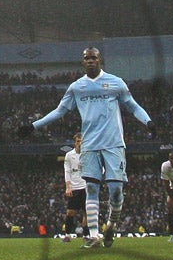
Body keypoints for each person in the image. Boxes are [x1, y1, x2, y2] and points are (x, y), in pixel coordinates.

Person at [17, 47, 155, 249]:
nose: (90, 61)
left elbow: (133, 105)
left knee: (116, 192)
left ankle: (111, 225)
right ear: (83, 62)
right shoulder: (76, 87)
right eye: (87, 58)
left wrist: (148, 122)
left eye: (93, 58)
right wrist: (33, 126)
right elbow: (59, 111)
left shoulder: (116, 82)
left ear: (100, 60)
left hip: (113, 144)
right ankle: (94, 236)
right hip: (89, 145)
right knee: (91, 188)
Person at [61, 132, 85, 242]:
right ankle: (68, 235)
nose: (80, 143)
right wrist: (68, 187)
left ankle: (86, 236)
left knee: (86, 213)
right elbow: (67, 171)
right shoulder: (69, 155)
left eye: (82, 141)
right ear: (74, 143)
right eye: (78, 141)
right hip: (74, 187)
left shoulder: (88, 154)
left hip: (86, 186)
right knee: (70, 212)